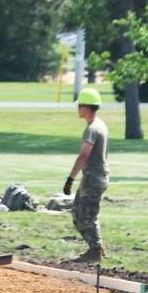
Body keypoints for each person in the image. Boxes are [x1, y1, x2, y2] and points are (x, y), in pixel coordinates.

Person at [64, 88, 109, 262]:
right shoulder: (100, 125)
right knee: (77, 211)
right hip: (95, 176)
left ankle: (96, 250)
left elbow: (84, 155)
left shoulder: (92, 129)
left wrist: (70, 179)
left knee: (85, 215)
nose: (78, 109)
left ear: (87, 107)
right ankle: (95, 248)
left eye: (80, 106)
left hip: (93, 176)